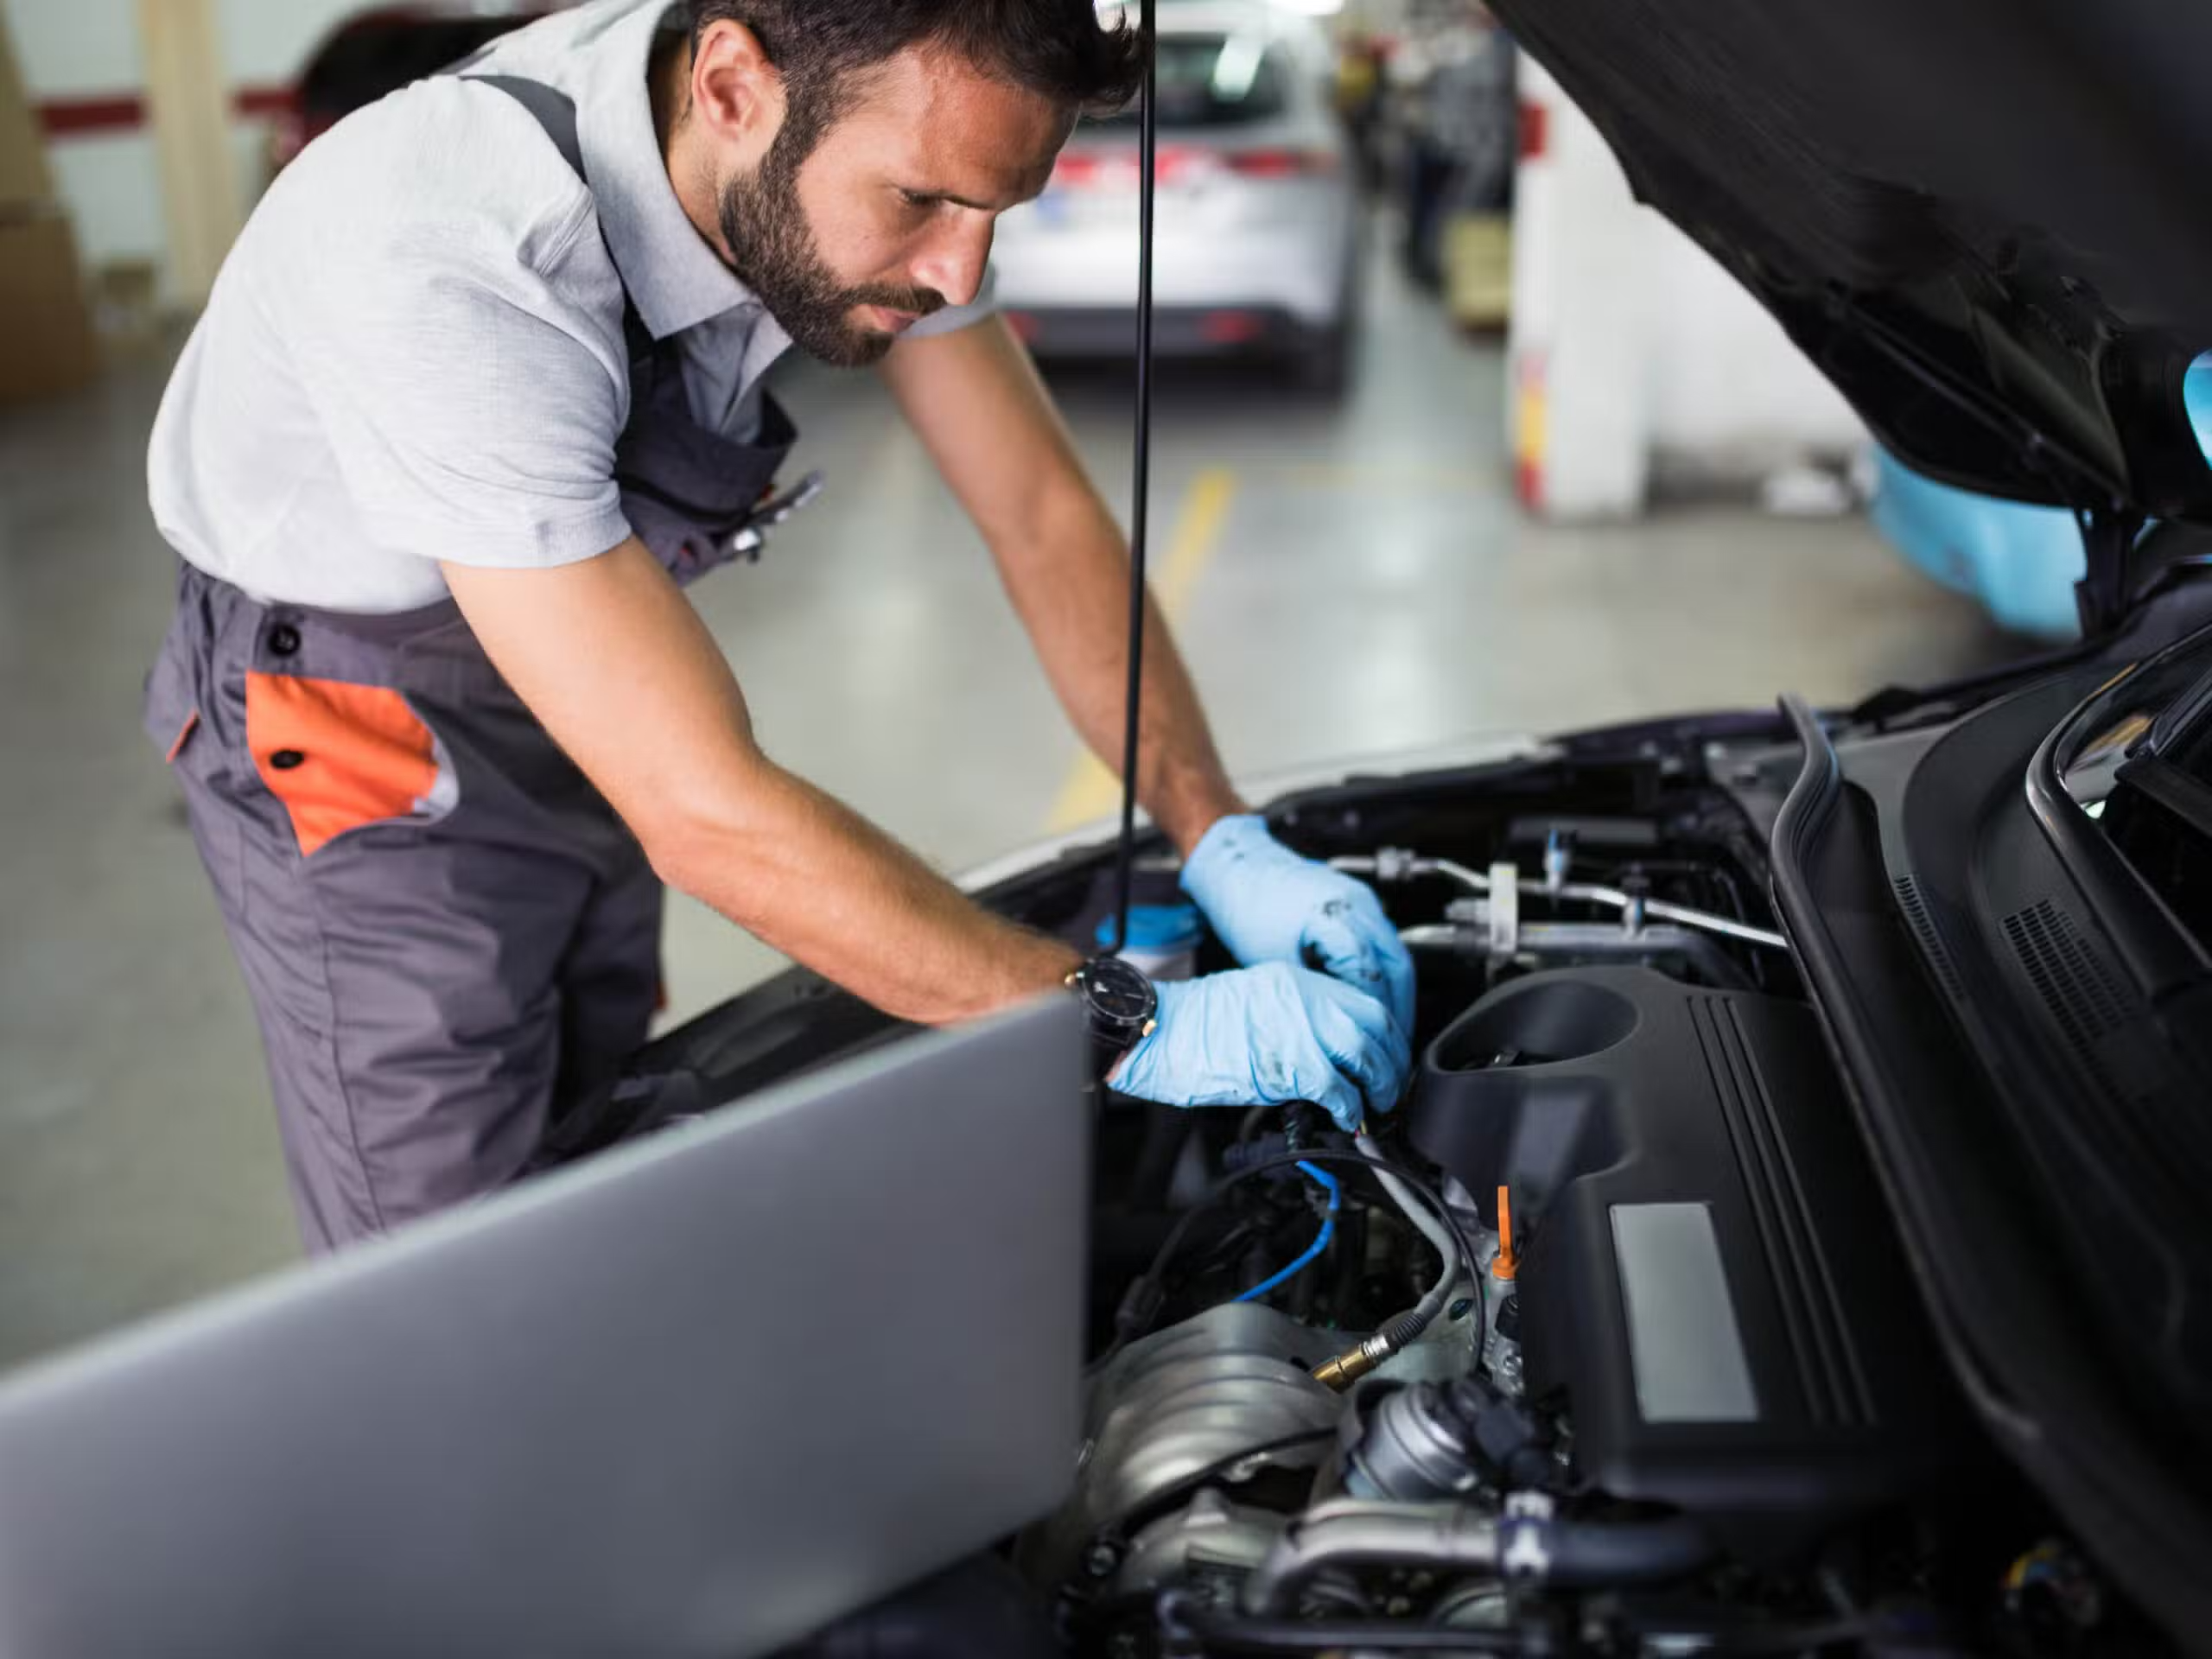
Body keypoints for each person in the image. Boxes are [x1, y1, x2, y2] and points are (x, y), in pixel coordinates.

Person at [142, 0, 1415, 1251]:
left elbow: (1038, 512)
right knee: (445, 1266)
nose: (961, 273)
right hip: (350, 716)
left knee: (591, 1136)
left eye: (997, 211)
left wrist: (1221, 835)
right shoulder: (459, 261)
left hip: (564, 654)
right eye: (922, 202)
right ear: (733, 89)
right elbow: (702, 813)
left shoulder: (877, 123)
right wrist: (1133, 1023)